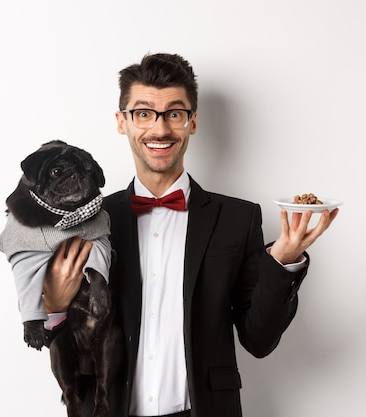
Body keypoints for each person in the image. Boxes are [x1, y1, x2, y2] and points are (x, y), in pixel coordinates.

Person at [42, 53, 339, 417]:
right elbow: (71, 347)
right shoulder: (89, 221)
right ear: (122, 122)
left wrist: (283, 260)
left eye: (174, 113)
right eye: (144, 113)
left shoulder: (237, 218)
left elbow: (259, 340)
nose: (160, 129)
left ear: (192, 122)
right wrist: (55, 307)